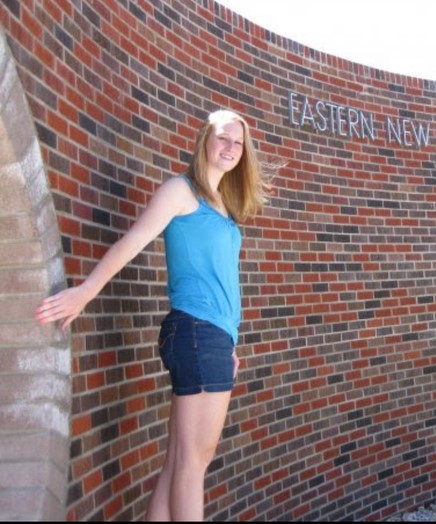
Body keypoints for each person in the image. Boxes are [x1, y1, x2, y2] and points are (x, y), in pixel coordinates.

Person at [35, 109, 273, 521]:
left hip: (210, 337)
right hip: (195, 332)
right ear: (205, 141)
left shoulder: (223, 206)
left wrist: (228, 341)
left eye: (238, 142)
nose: (231, 148)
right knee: (192, 464)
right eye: (223, 138)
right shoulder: (182, 191)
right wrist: (85, 292)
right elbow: (136, 238)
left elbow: (222, 281)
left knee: (179, 461)